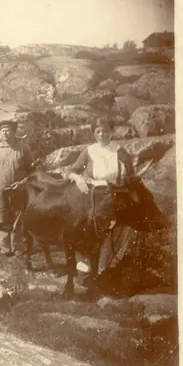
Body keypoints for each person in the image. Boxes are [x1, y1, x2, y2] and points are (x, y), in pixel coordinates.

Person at [65, 117, 136, 278]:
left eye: (105, 131)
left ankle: (107, 268)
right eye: (98, 131)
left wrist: (125, 183)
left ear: (112, 132)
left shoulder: (120, 151)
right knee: (85, 230)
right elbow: (71, 171)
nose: (102, 134)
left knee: (115, 230)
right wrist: (78, 179)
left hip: (114, 195)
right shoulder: (89, 151)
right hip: (93, 197)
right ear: (94, 133)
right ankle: (84, 270)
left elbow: (131, 177)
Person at [0, 120, 34, 257]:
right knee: (2, 217)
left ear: (14, 132)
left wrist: (21, 183)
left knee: (17, 218)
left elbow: (32, 171)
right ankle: (4, 248)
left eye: (8, 130)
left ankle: (17, 247)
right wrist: (1, 180)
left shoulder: (24, 149)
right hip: (1, 188)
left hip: (18, 189)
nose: (4, 133)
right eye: (2, 130)